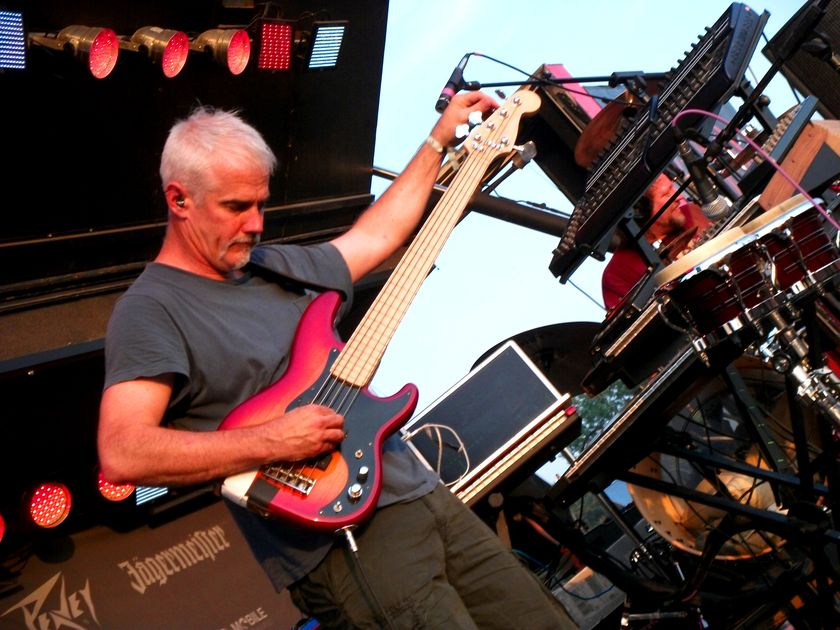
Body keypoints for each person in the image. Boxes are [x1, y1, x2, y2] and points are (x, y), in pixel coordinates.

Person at [96, 93, 576, 629]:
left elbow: (378, 235)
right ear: (179, 199)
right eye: (236, 207)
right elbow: (123, 451)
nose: (255, 224)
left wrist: (437, 141)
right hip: (341, 541)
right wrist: (270, 441)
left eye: (261, 205)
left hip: (421, 494)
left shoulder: (276, 266)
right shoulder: (151, 309)